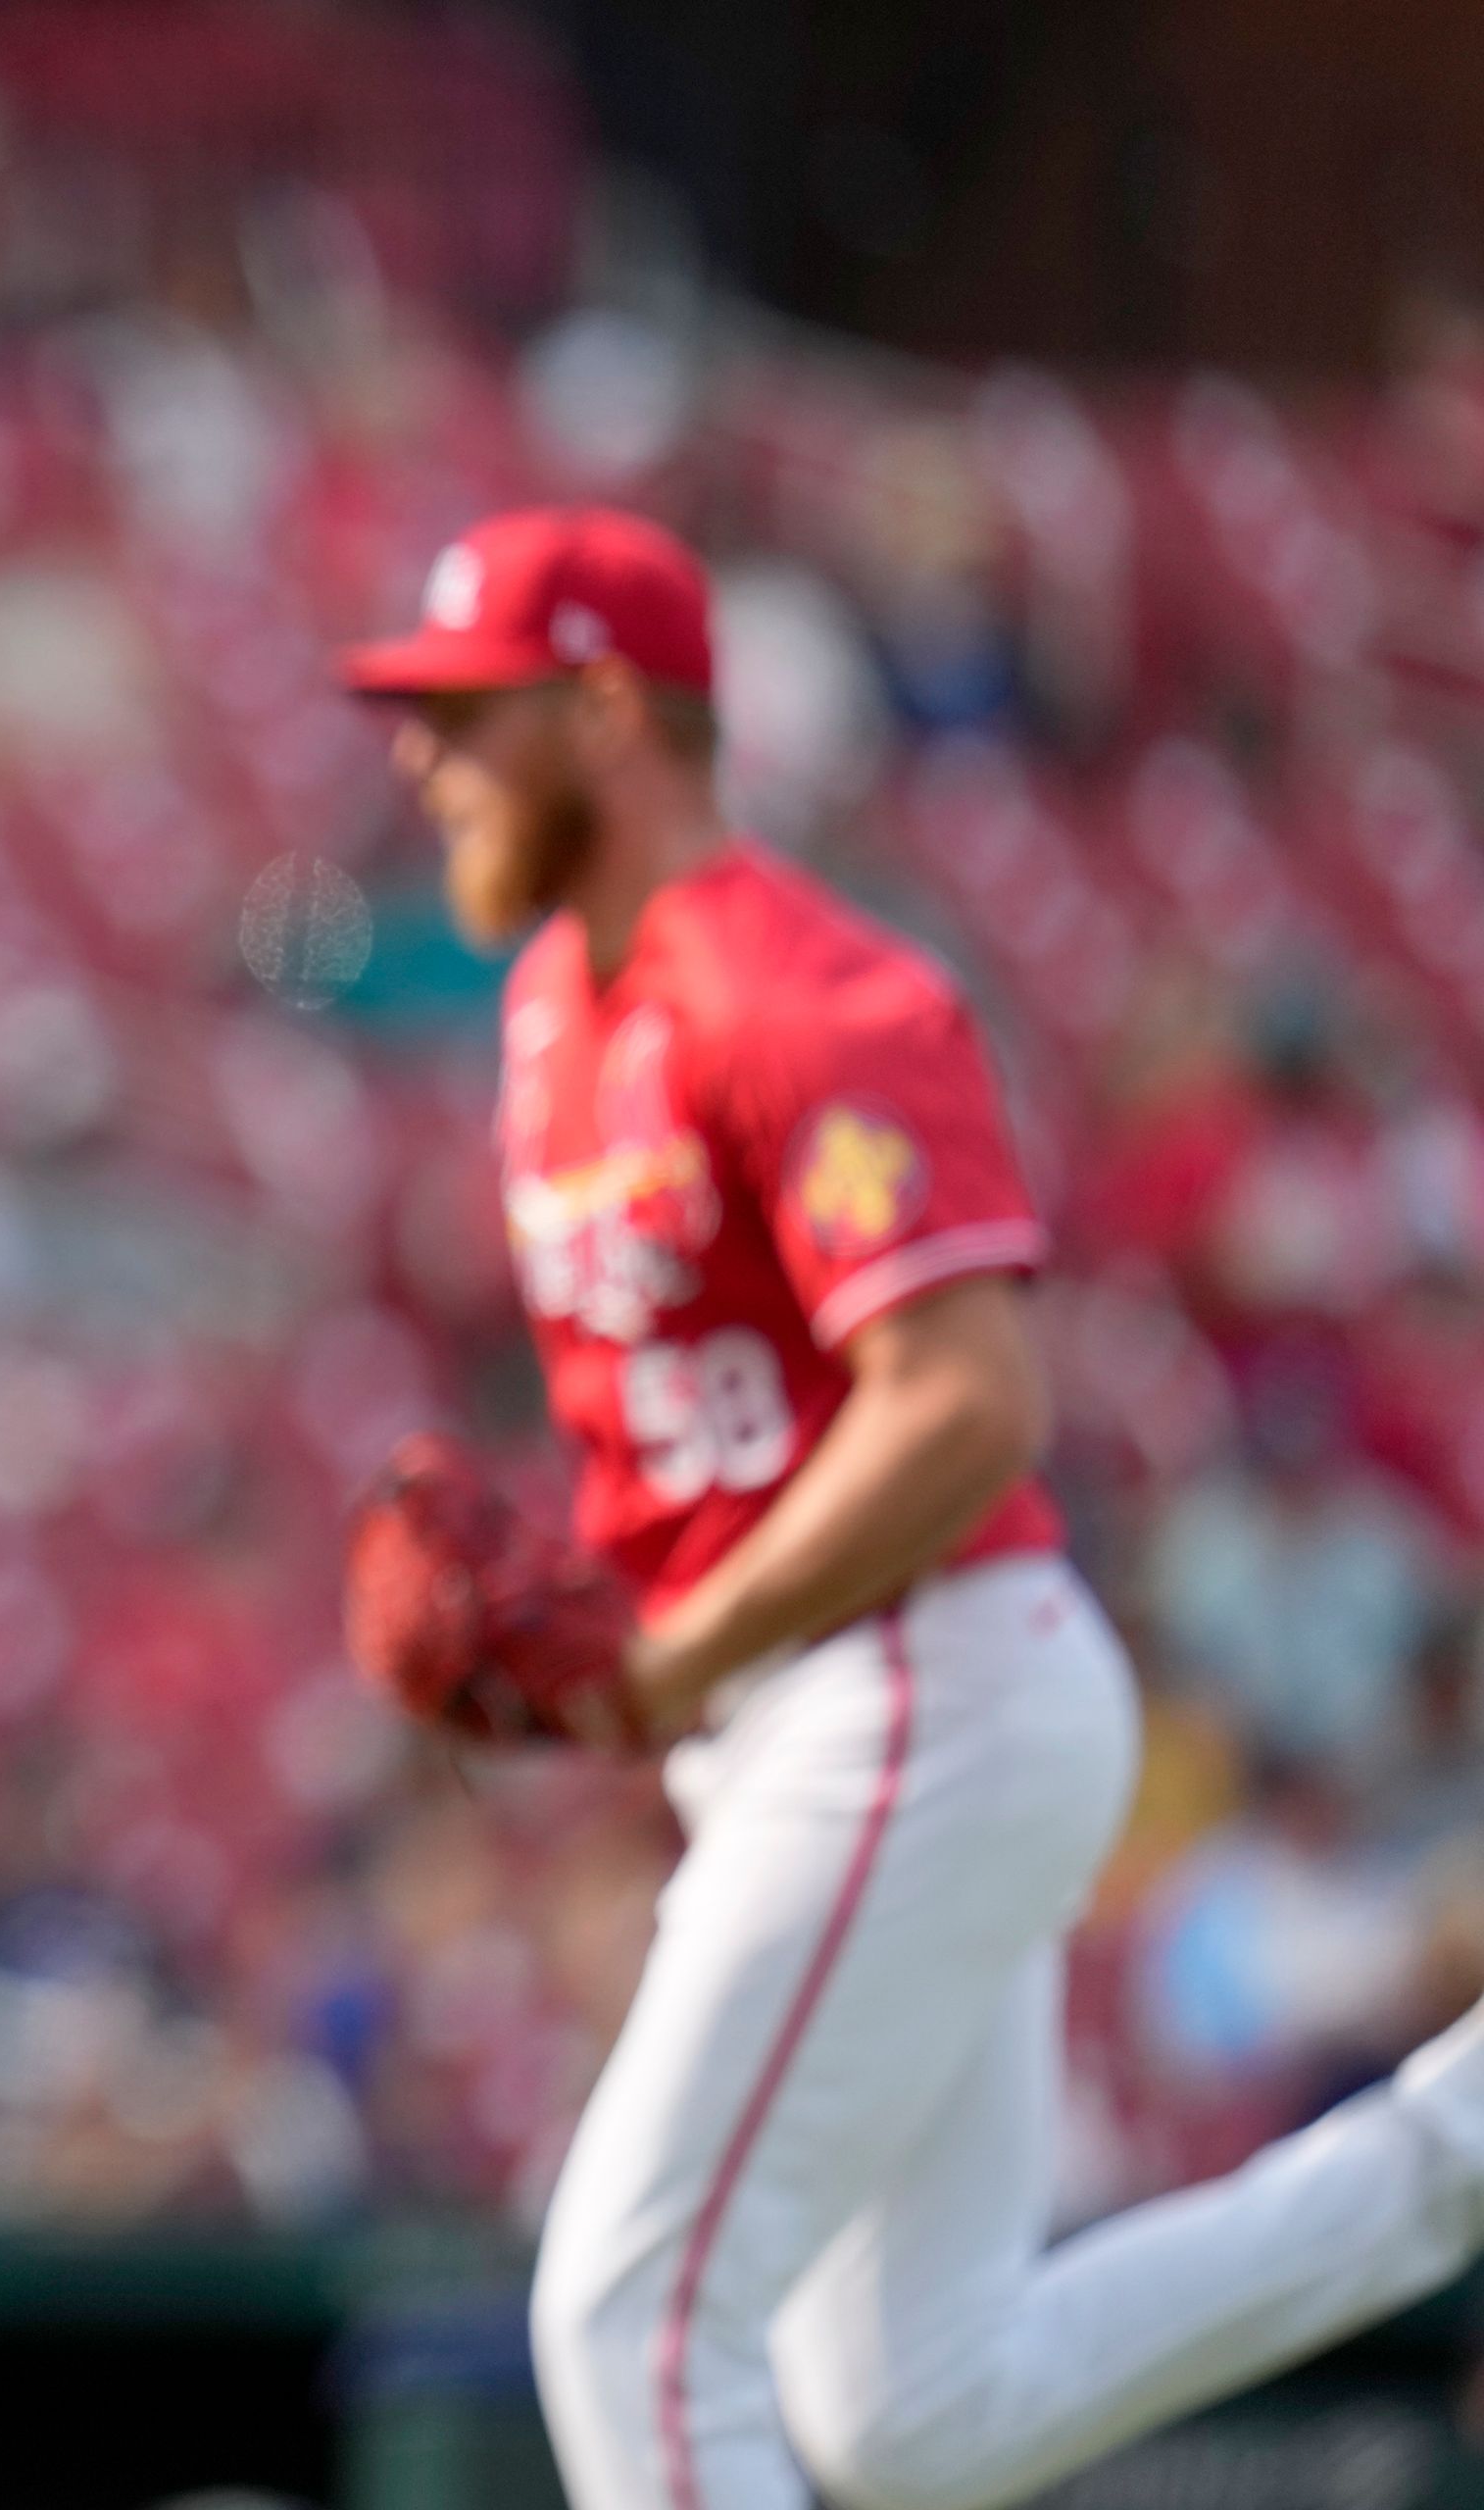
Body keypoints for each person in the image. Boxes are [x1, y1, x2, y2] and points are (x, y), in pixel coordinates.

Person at [341, 506, 1484, 2510]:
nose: (422, 758)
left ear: (610, 712)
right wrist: (597, 1635)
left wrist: (675, 1647)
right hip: (822, 1716)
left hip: (917, 1691)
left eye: (470, 715)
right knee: (908, 2408)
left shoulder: (813, 991)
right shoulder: (549, 1014)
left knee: (627, 2311)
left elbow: (968, 1400)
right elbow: (710, 1445)